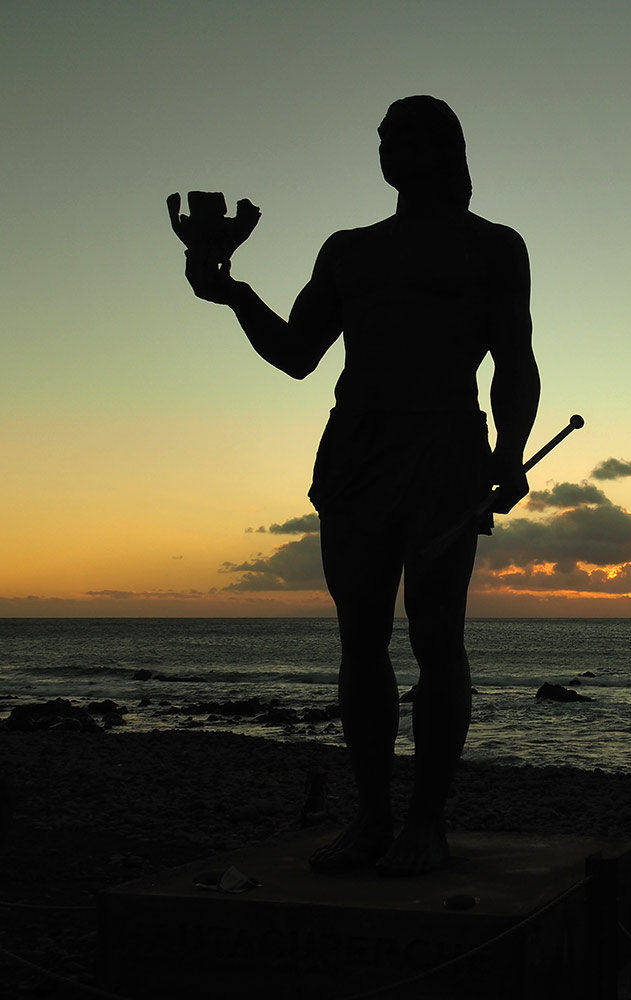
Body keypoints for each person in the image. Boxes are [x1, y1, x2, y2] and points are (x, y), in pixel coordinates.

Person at [177, 96, 540, 875]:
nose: (383, 146)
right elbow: (297, 354)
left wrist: (509, 451)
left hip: (446, 452)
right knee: (360, 640)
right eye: (379, 136)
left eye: (400, 134)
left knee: (438, 638)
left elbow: (515, 359)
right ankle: (372, 817)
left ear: (440, 147)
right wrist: (230, 290)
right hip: (355, 455)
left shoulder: (494, 247)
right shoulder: (348, 251)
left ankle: (426, 823)